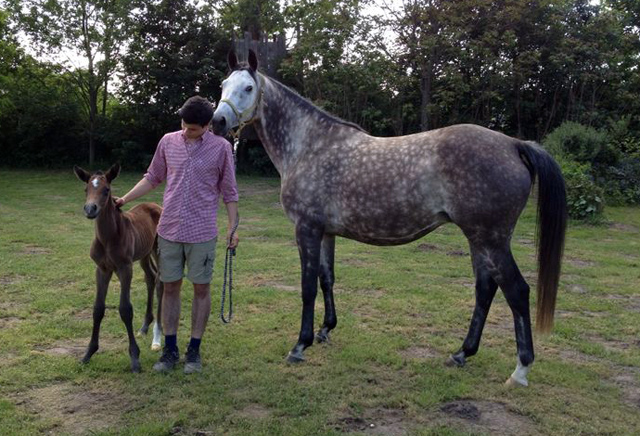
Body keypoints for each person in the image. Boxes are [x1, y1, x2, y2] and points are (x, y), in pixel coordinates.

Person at [115, 96, 239, 374]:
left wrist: (233, 228)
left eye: (193, 128)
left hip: (202, 232)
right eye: (184, 124)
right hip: (169, 229)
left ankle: (193, 351)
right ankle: (169, 350)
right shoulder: (168, 141)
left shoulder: (222, 149)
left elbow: (230, 192)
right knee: (169, 287)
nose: (187, 130)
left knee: (201, 289)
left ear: (208, 126)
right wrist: (124, 198)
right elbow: (153, 176)